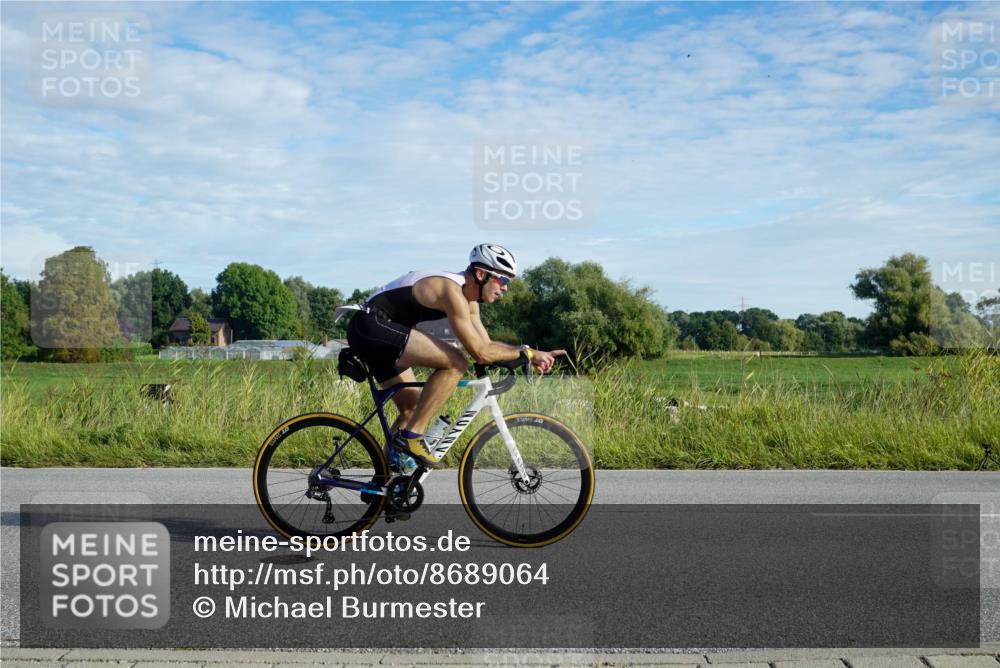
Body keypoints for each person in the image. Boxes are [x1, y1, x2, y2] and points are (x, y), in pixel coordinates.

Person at [346, 244, 565, 469]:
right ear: (481, 274)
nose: (506, 288)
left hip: (380, 332)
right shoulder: (452, 291)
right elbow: (478, 352)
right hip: (371, 326)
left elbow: (486, 348)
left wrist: (525, 353)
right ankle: (413, 437)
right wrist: (527, 353)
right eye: (503, 280)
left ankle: (384, 487)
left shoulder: (470, 303)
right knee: (457, 361)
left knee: (411, 409)